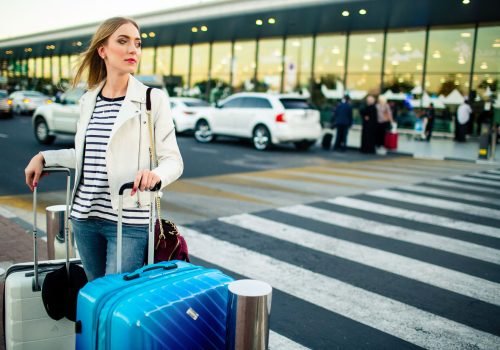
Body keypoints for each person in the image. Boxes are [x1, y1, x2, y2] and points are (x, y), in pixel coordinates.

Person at [24, 17, 183, 281]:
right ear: (103, 50)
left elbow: (173, 161)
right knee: (93, 299)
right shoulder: (89, 100)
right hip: (84, 217)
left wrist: (156, 175)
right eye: (123, 41)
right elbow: (88, 155)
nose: (133, 49)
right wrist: (44, 157)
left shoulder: (151, 99)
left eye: (138, 43)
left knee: (113, 299)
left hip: (129, 220)